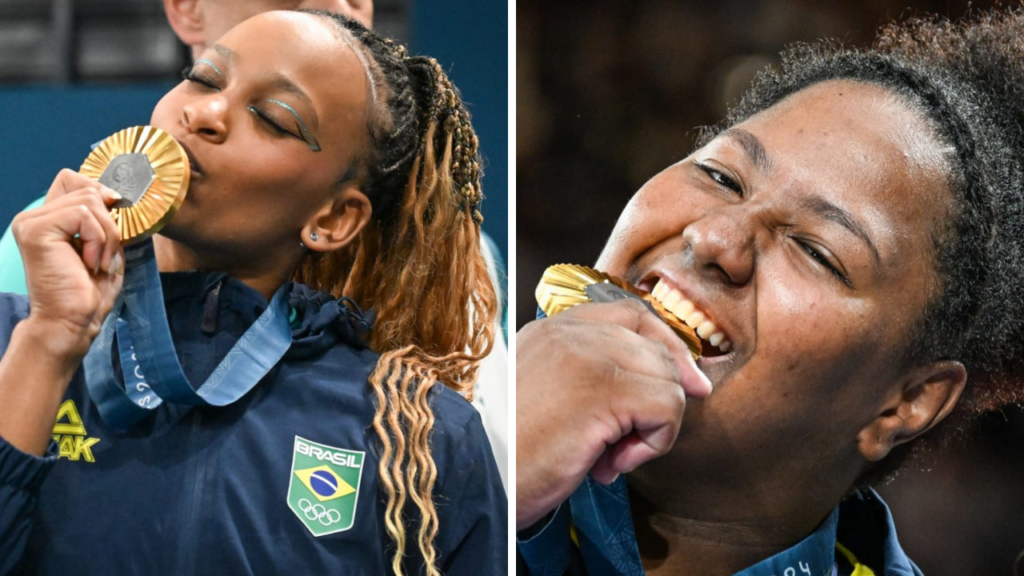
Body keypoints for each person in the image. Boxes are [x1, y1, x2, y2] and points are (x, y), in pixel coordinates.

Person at [517, 9, 1024, 575]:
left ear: (908, 401)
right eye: (719, 176)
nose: (715, 236)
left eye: (817, 251)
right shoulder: (426, 429)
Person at [0, 9, 504, 575]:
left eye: (273, 118)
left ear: (333, 218)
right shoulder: (10, 342)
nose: (205, 113)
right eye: (204, 78)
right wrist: (48, 340)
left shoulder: (414, 431)